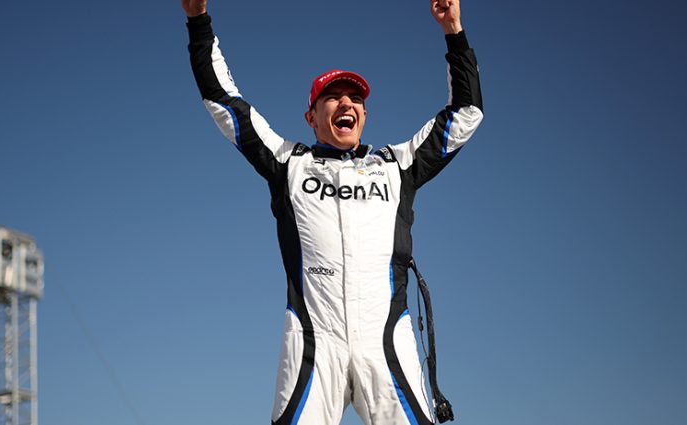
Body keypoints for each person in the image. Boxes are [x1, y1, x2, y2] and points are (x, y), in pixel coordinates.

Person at [181, 0, 483, 423]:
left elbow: (466, 114)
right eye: (333, 97)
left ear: (364, 114)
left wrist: (454, 31)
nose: (346, 103)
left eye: (355, 98)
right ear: (311, 116)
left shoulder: (396, 165)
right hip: (314, 340)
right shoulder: (288, 162)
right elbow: (223, 101)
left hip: (385, 339)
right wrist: (198, 20)